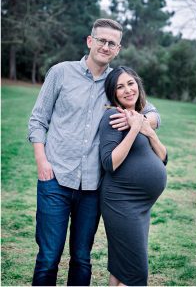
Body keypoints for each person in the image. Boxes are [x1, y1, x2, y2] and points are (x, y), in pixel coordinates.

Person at [28, 19, 160, 286]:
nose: (105, 46)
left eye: (112, 43)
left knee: (81, 258)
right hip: (55, 178)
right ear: (90, 41)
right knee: (48, 257)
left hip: (92, 186)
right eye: (101, 40)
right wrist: (42, 161)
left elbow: (152, 110)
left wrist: (142, 122)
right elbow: (38, 120)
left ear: (118, 49)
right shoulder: (61, 73)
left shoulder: (115, 83)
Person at [99, 66, 168, 286]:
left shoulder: (141, 117)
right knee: (137, 273)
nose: (128, 90)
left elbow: (163, 157)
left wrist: (146, 129)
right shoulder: (113, 116)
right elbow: (109, 162)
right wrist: (132, 130)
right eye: (120, 87)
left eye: (130, 83)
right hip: (121, 202)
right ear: (113, 93)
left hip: (141, 206)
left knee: (121, 269)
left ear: (138, 84)